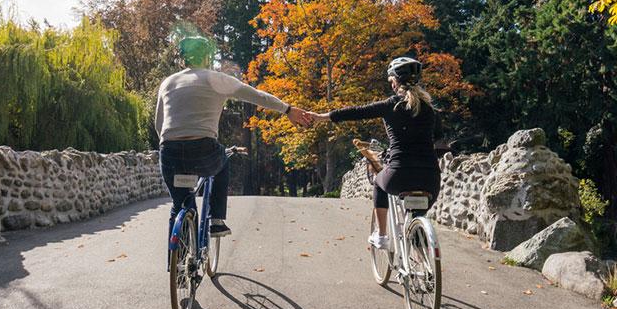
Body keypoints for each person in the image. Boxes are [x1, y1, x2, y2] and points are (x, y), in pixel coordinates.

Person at [155, 36, 311, 244]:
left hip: (169, 151)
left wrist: (171, 145)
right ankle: (217, 220)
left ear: (183, 58)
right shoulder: (216, 79)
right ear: (207, 57)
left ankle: (179, 266)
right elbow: (257, 96)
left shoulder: (168, 82)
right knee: (222, 161)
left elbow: (159, 123)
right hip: (203, 149)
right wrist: (288, 109)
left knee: (181, 204)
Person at [309, 57, 442, 249]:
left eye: (391, 81)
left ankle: (381, 236)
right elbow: (437, 135)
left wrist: (321, 117)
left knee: (380, 183)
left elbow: (356, 112)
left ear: (395, 81)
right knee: (417, 215)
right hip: (431, 178)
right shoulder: (430, 109)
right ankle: (424, 260)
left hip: (399, 174)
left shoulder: (392, 104)